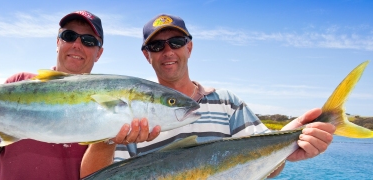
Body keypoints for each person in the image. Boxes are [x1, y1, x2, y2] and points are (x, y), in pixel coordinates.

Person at [81, 14, 336, 178]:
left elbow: (265, 170)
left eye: (176, 42)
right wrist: (108, 139)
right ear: (147, 55)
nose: (168, 51)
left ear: (189, 47)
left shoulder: (227, 102)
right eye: (157, 46)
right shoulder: (133, 112)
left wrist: (288, 148)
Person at [0, 10, 159, 180]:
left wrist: (110, 136)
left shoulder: (116, 106)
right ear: (58, 42)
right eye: (69, 36)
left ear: (99, 53)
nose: (77, 45)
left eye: (89, 41)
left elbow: (91, 176)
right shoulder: (19, 83)